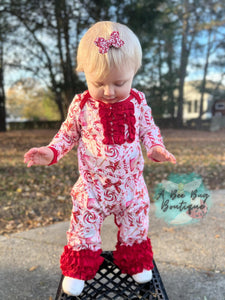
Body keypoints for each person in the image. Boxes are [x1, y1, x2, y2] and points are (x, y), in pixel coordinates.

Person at [24, 21, 176, 296]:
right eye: (98, 83)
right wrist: (51, 151)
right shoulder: (81, 105)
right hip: (94, 186)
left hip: (130, 185)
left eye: (120, 83)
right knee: (82, 225)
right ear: (85, 75)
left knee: (137, 222)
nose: (109, 91)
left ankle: (134, 260)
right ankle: (79, 268)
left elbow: (148, 130)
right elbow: (67, 135)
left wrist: (155, 147)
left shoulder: (138, 102)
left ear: (133, 73)